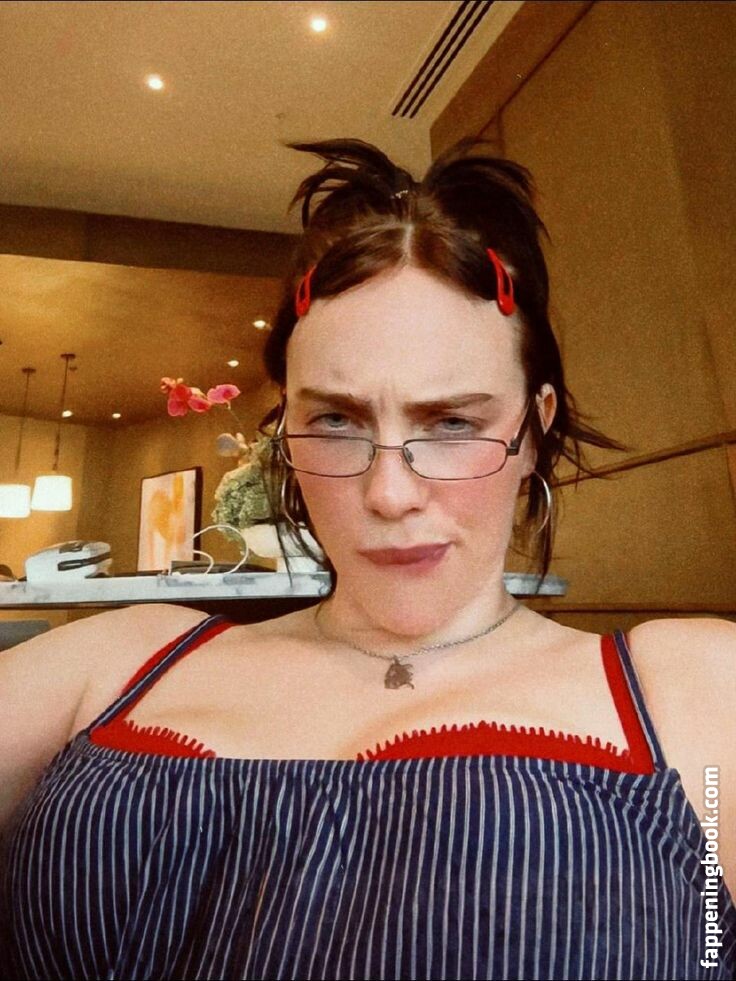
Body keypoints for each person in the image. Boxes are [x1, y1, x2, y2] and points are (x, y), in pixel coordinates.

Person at [1, 138, 734, 981]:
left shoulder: (694, 688)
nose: (388, 492)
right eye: (337, 421)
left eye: (452, 423)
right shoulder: (120, 658)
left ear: (534, 429)